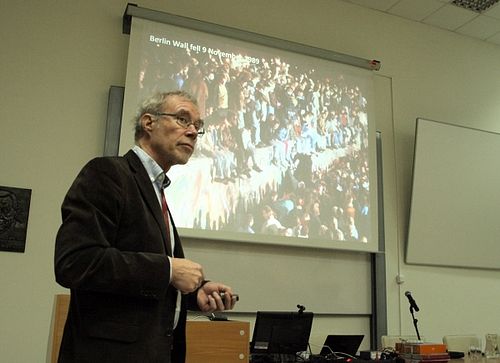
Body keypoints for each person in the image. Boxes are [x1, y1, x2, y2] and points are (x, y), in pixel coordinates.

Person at [54, 90, 237, 363]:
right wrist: (168, 269)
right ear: (148, 123)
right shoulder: (108, 174)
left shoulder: (157, 192)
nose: (192, 132)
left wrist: (195, 293)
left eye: (197, 126)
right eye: (182, 119)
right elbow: (75, 262)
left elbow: (141, 286)